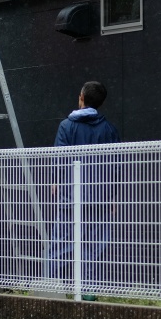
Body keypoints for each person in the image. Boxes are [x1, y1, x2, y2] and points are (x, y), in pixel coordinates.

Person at [48, 82, 120, 287]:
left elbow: (59, 158)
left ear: (81, 97)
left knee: (59, 245)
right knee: (94, 248)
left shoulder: (66, 126)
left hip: (71, 197)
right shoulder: (109, 129)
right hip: (100, 199)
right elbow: (116, 166)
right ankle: (89, 291)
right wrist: (112, 196)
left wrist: (56, 180)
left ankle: (53, 288)